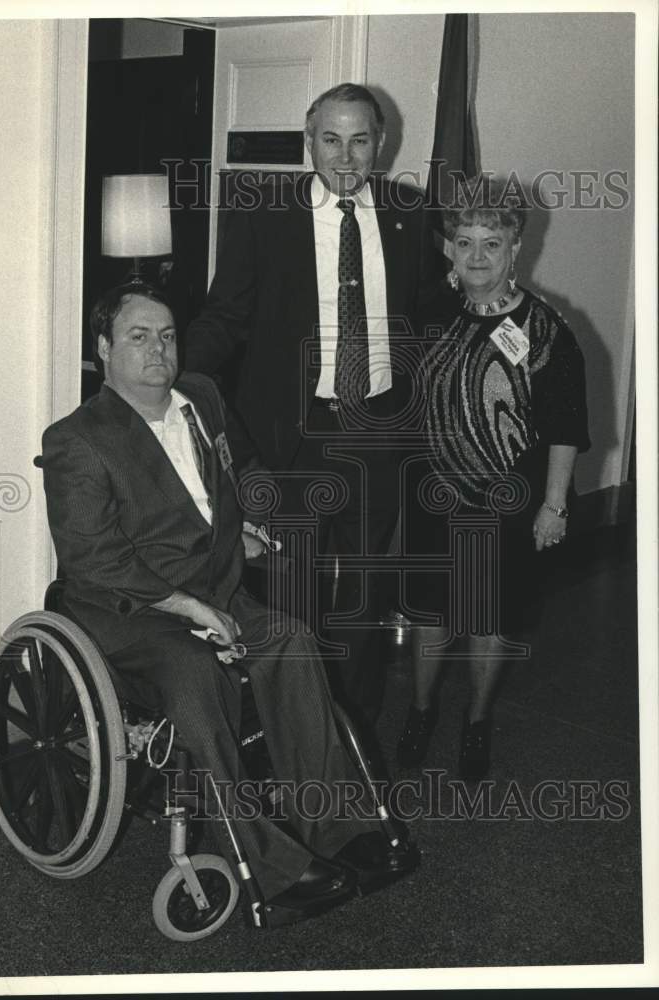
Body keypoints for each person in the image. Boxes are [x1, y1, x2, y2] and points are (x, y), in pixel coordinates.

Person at [41, 281, 419, 922]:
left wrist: (251, 518)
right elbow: (93, 557)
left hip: (216, 587)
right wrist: (188, 609)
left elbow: (234, 470)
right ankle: (271, 866)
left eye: (166, 335)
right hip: (125, 613)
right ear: (103, 347)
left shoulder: (203, 397)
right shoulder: (78, 439)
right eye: (138, 336)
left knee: (292, 640)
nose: (158, 349)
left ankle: (337, 828)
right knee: (196, 675)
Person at [186, 83, 433, 736]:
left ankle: (355, 734)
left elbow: (433, 318)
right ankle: (298, 732)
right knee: (293, 590)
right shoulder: (264, 212)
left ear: (381, 143)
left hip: (380, 427)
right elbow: (226, 316)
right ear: (308, 140)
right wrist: (174, 374)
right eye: (330, 140)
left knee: (368, 588)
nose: (345, 158)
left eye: (359, 141)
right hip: (293, 433)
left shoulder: (412, 214)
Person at [398, 176, 590, 779]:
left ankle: (476, 720)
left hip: (510, 500)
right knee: (432, 611)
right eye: (464, 241)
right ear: (448, 246)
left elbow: (566, 427)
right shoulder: (426, 313)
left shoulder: (548, 329)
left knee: (491, 614)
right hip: (434, 495)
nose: (477, 255)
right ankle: (421, 710)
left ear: (516, 248)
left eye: (492, 242)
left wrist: (554, 506)